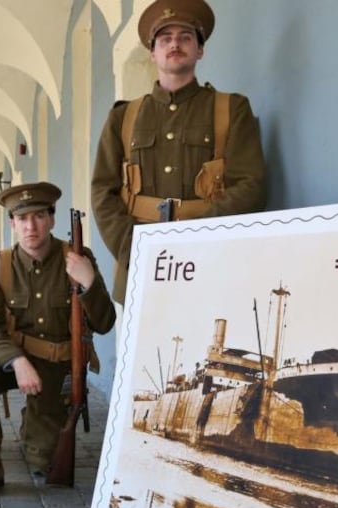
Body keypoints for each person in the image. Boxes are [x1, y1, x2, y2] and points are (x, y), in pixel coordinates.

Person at [91, 0, 265, 304]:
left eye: (185, 37)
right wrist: (133, 245)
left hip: (211, 259)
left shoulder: (231, 109)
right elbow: (103, 191)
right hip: (140, 259)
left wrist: (201, 241)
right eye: (165, 38)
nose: (175, 44)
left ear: (200, 50)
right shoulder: (123, 117)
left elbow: (250, 185)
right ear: (153, 52)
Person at [0, 182, 116, 497]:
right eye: (23, 218)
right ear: (12, 224)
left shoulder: (79, 258)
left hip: (58, 367)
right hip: (13, 358)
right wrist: (16, 360)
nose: (31, 226)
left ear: (52, 220)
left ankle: (37, 419)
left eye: (39, 216)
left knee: (44, 461)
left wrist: (89, 282)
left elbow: (105, 322)